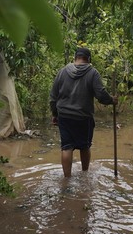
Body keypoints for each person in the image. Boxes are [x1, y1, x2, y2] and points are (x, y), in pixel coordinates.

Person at [49, 47, 117, 177]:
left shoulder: (62, 72)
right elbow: (101, 95)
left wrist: (55, 114)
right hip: (83, 117)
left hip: (64, 115)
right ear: (89, 59)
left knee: (66, 147)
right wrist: (111, 100)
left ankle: (67, 179)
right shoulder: (93, 73)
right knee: (84, 146)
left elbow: (53, 97)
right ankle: (85, 174)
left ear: (75, 58)